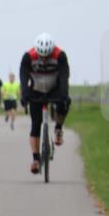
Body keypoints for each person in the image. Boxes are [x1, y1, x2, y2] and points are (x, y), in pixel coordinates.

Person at [19, 33, 71, 174]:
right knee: (36, 123)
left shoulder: (60, 55)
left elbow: (64, 76)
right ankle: (36, 159)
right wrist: (24, 95)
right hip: (36, 89)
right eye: (41, 56)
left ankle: (58, 128)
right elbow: (23, 77)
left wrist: (64, 95)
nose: (44, 59)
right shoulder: (28, 57)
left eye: (47, 56)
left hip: (54, 88)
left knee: (64, 103)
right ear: (36, 50)